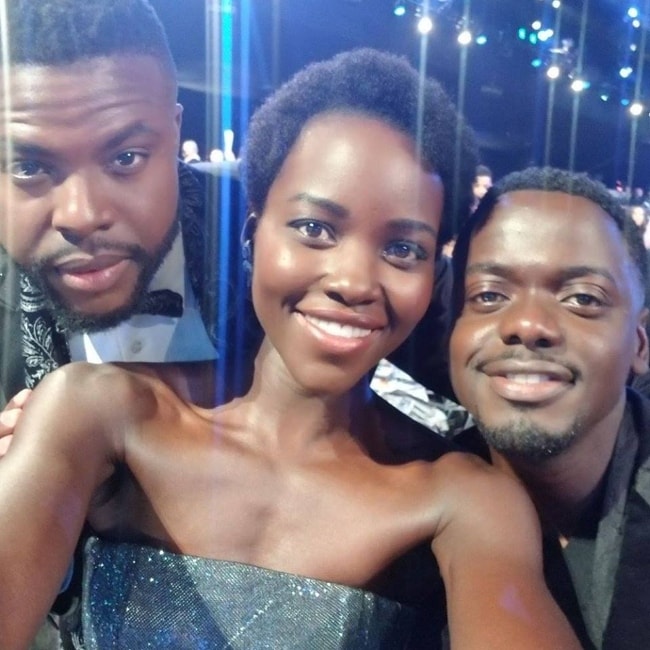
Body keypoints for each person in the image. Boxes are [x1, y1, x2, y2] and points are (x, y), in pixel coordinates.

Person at [0, 50, 580, 650]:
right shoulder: (98, 412)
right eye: (314, 229)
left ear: (435, 277)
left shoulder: (462, 497)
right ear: (254, 234)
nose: (354, 281)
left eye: (404, 249)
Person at [0, 0, 257, 411]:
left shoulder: (271, 236)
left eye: (126, 158)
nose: (80, 216)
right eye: (29, 166)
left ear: (174, 134)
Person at [450, 166, 650, 649]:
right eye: (489, 295)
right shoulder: (399, 507)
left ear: (641, 345)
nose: (527, 323)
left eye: (582, 298)